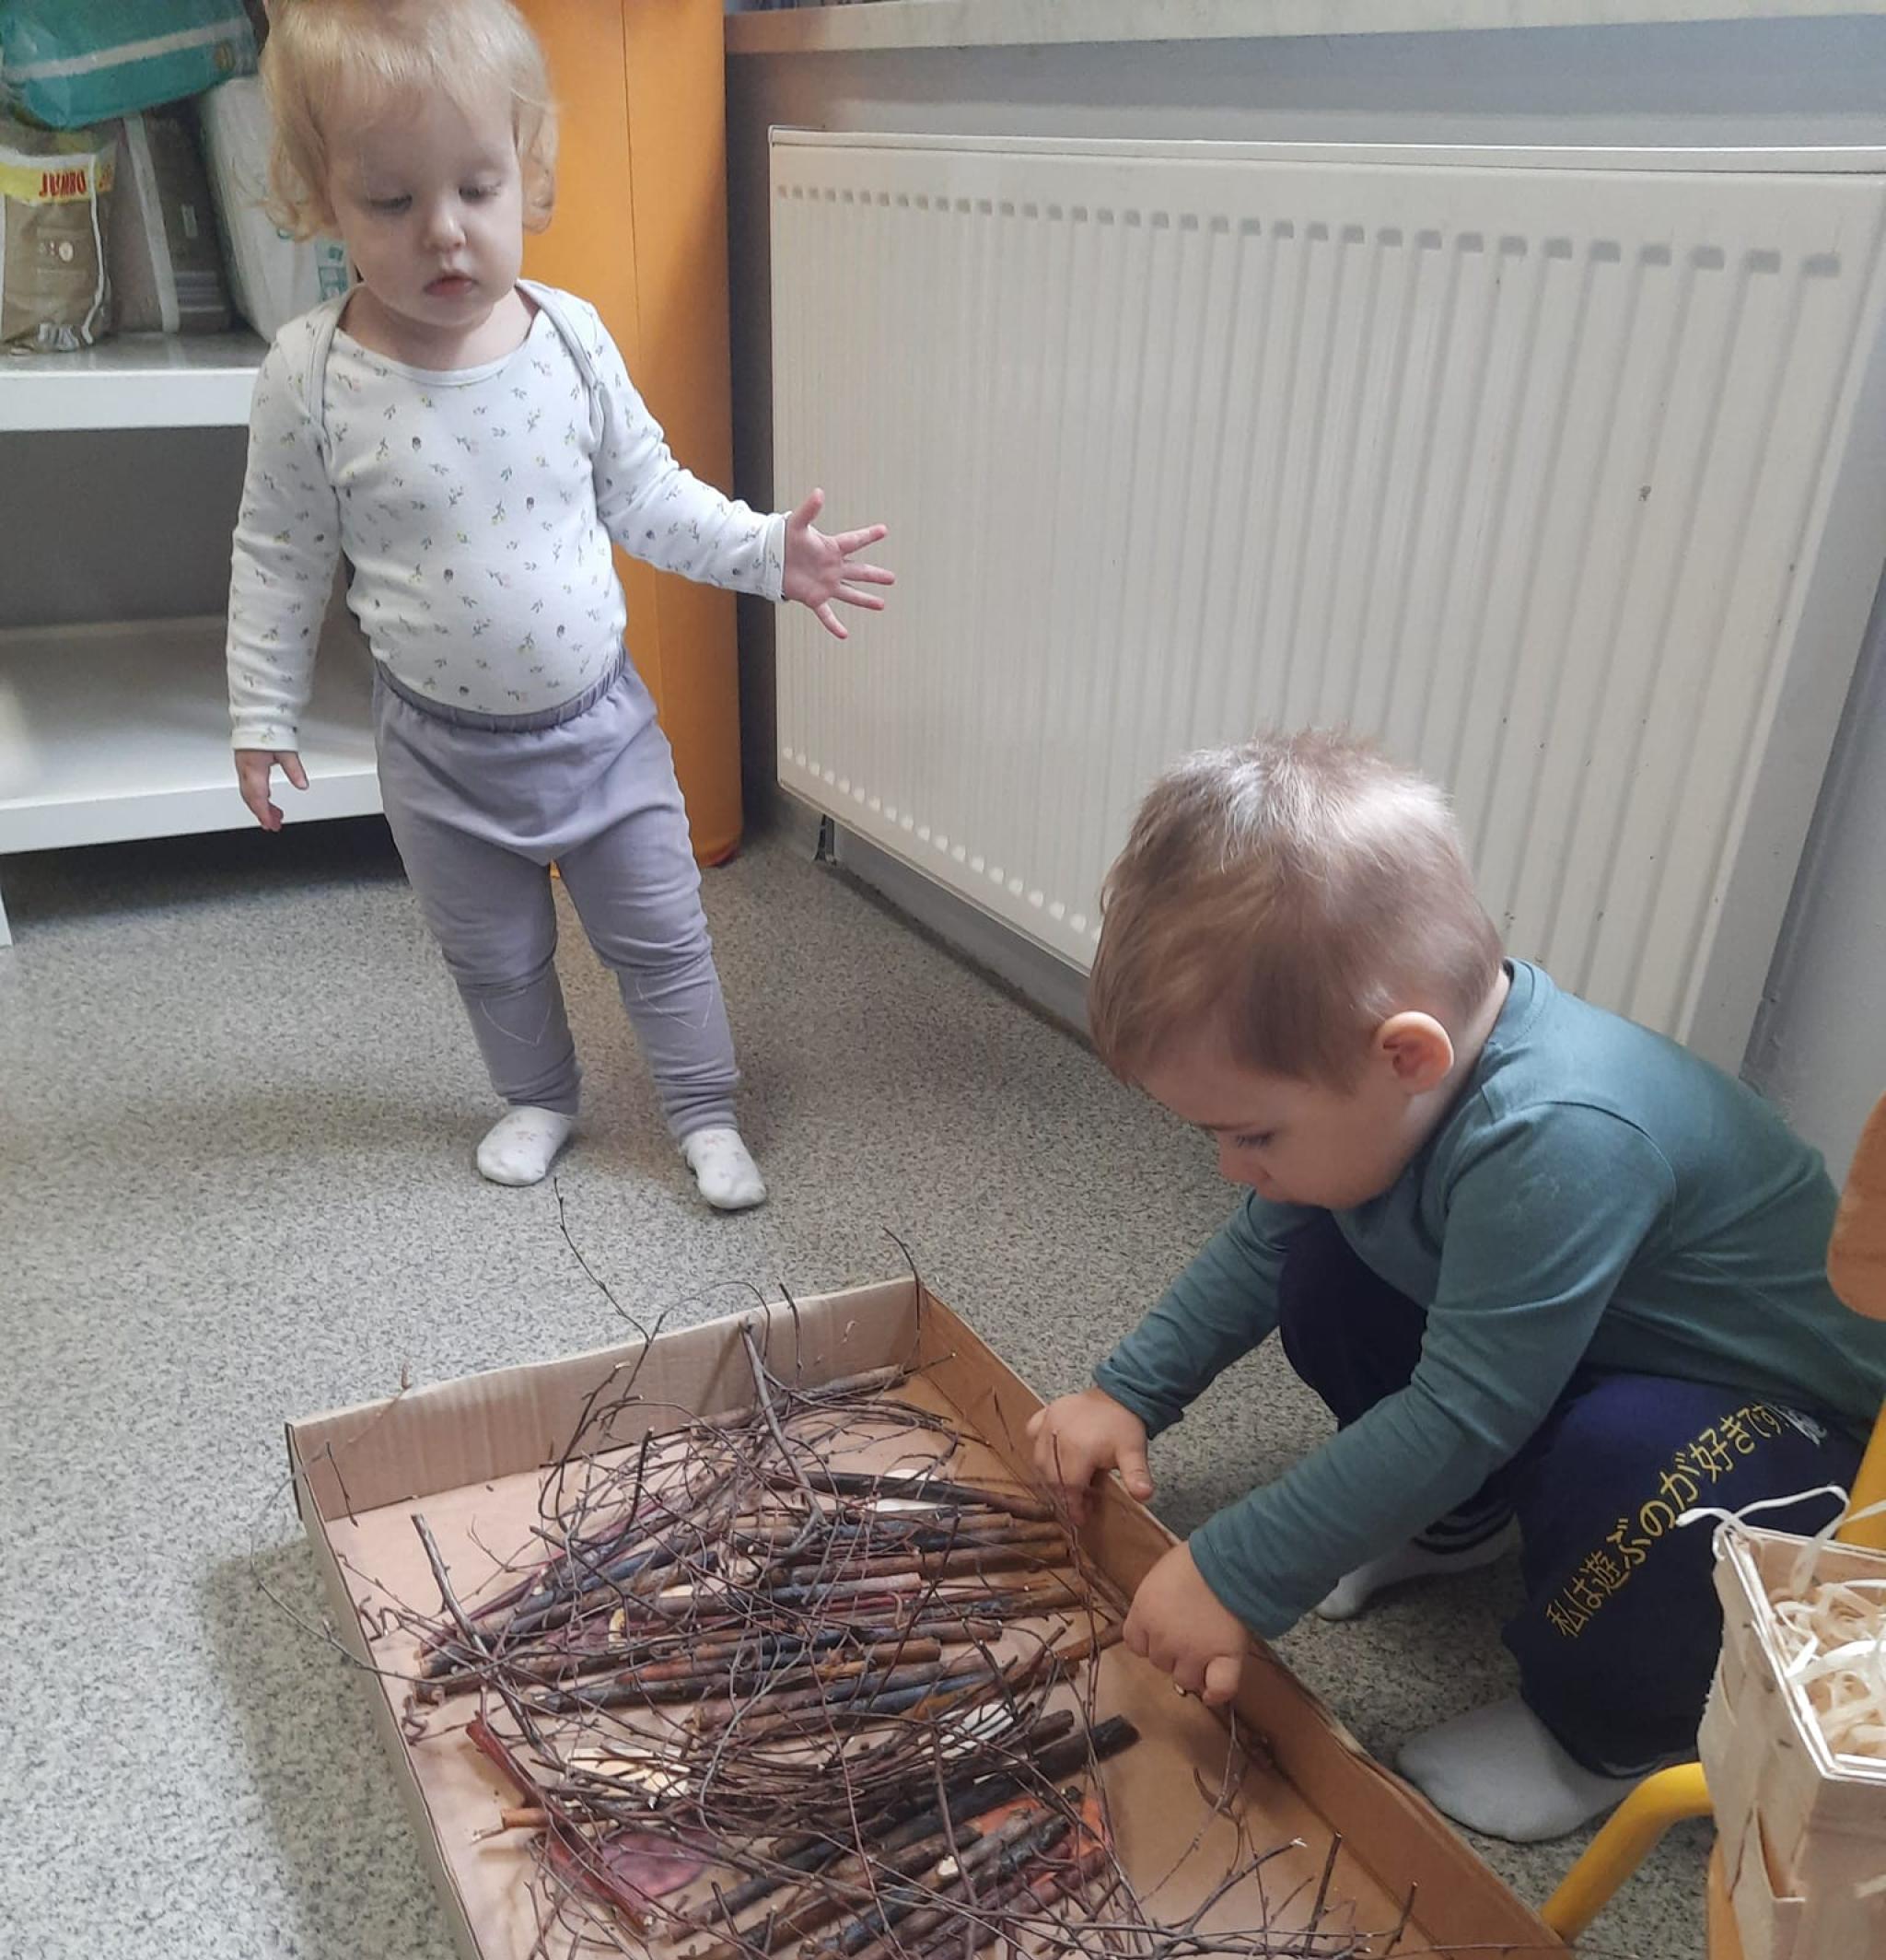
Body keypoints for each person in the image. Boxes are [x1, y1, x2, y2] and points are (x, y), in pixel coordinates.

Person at [1029, 732, 1886, 1841]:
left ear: (1405, 1056)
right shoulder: (1404, 1094)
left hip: (1803, 1446)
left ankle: (1604, 1734)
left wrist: (1234, 1571)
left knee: (1634, 1467)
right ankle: (1459, 1518)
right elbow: (1263, 1247)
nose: (1231, 1167)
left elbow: (1462, 1410)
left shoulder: (1559, 1133)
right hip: (1594, 1353)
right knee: (1325, 1259)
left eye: (1251, 1133)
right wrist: (1127, 1390)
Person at [227, 0, 891, 1206]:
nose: (444, 231)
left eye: (477, 188)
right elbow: (279, 553)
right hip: (438, 758)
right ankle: (538, 1096)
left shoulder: (569, 340)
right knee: (493, 958)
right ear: (322, 198)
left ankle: (702, 1111)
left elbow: (651, 497)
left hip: (600, 734)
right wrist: (261, 712)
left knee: (663, 935)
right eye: (391, 200)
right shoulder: (309, 375)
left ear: (526, 171)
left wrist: (765, 552)